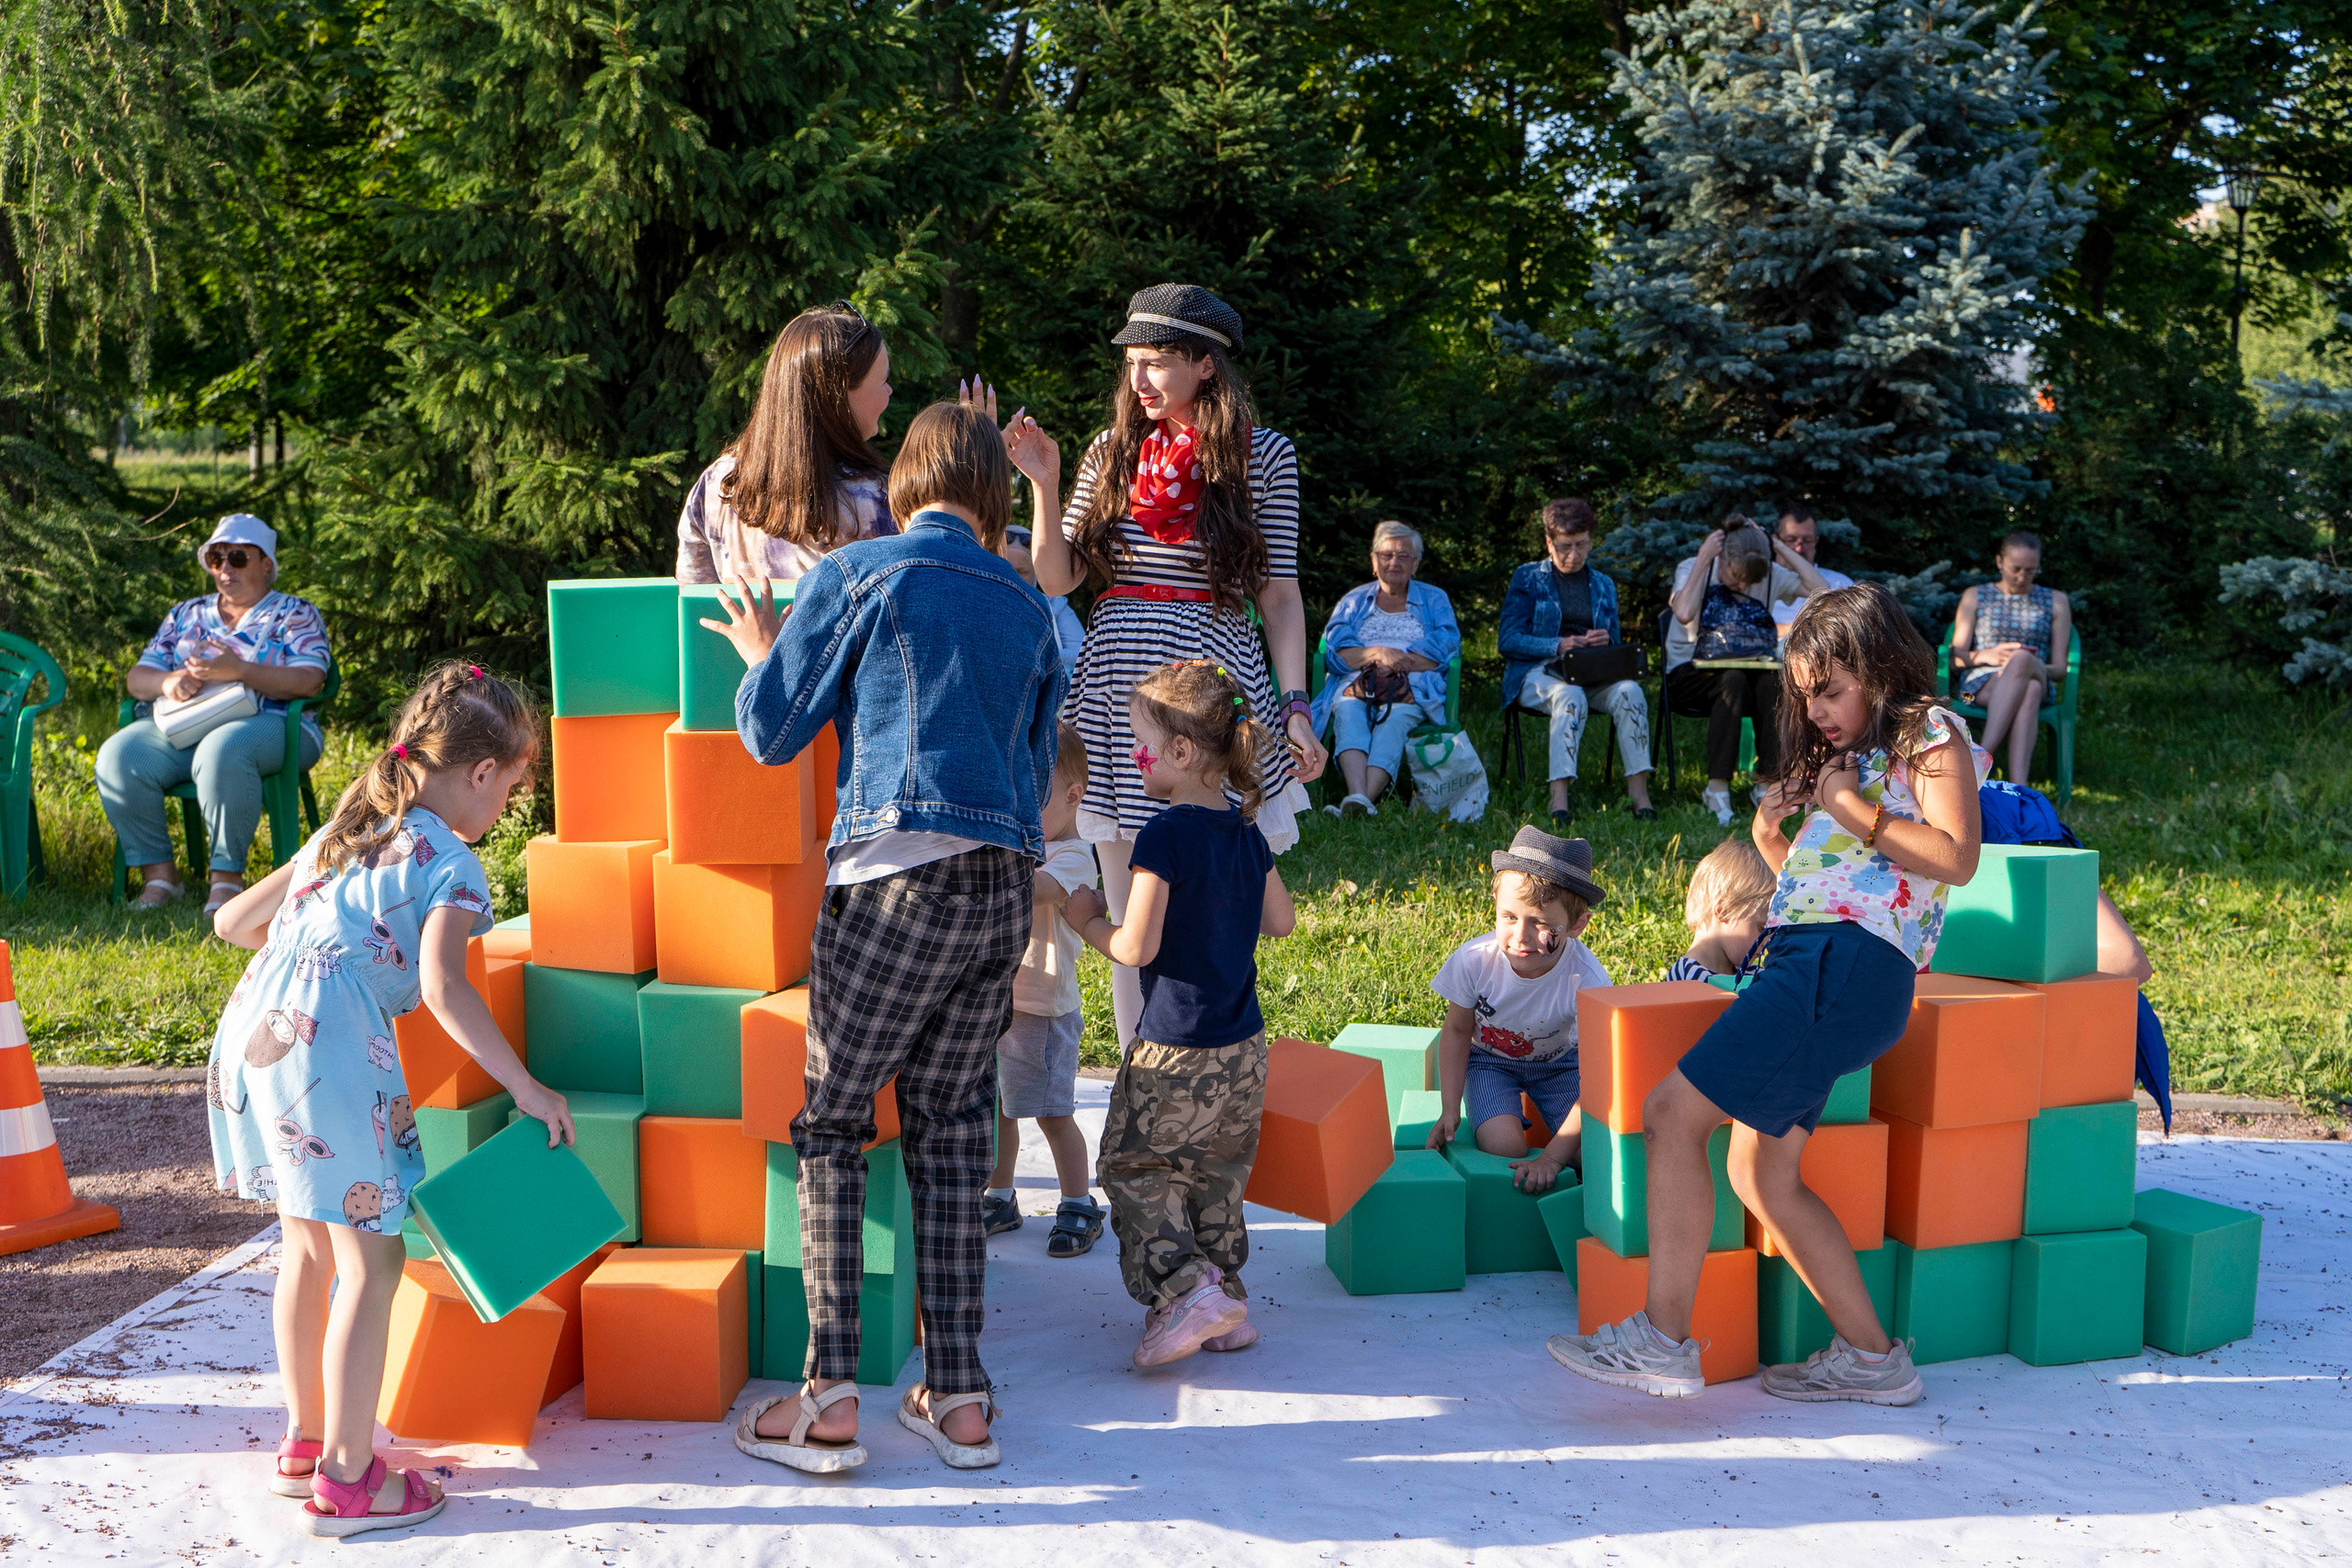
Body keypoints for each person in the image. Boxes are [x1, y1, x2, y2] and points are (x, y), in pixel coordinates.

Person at [708, 400, 1065, 1474]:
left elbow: (771, 733)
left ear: (904, 485)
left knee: (832, 1125)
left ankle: (826, 1400)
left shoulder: (857, 573)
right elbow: (1035, 772)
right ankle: (959, 1400)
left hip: (890, 881)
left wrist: (760, 653)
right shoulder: (1030, 604)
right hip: (1001, 891)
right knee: (952, 1132)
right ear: (991, 496)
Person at [1548, 582, 1986, 1406]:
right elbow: (1836, 890)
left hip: (1840, 965)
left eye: (1830, 690)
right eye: (1805, 694)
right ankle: (1873, 1359)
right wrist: (1770, 837)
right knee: (1759, 1171)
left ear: (1879, 667)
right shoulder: (1848, 761)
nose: (1815, 710)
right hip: (1822, 959)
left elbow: (1958, 857)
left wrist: (1849, 808)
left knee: (1671, 1113)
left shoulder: (1927, 730)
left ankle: (1661, 1339)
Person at [205, 663, 570, 1537]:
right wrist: (526, 1086)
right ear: (482, 772)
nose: (504, 809)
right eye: (510, 791)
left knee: (307, 1249)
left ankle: (306, 1442)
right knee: (373, 1268)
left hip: (254, 1037)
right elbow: (445, 988)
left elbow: (232, 924)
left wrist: (316, 939)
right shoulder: (454, 863)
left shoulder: (348, 828)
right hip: (326, 1052)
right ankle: (349, 1480)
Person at [1028, 283, 1327, 1056]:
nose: (1139, 379)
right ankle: (1144, 1069)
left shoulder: (1264, 454)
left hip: (1209, 683)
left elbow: (1280, 593)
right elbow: (1057, 577)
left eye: (1157, 361)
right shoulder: (1110, 450)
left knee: (1216, 888)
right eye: (1132, 362)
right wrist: (1045, 485)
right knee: (1130, 888)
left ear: (1206, 364)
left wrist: (1295, 704)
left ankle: (1216, 1055)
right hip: (1120, 683)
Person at [1061, 660, 1298, 1367]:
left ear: (1183, 751)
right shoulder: (1245, 832)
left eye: (1141, 745)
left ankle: (1185, 1290)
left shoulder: (1162, 836)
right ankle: (1224, 1304)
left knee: (1135, 1166)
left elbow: (1136, 947)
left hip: (1175, 1049)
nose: (1134, 758)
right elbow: (1282, 921)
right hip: (1244, 1046)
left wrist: (1087, 920)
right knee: (1215, 1176)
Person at [102, 514, 332, 915]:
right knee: (120, 756)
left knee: (223, 748)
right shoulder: (186, 613)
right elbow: (138, 678)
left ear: (266, 564)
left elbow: (310, 680)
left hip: (277, 724)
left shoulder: (295, 613)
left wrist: (240, 670)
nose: (225, 568)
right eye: (216, 558)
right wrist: (168, 682)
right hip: (187, 723)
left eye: (238, 558)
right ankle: (160, 877)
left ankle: (227, 880)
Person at [1425, 828, 1610, 1193]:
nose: (1521, 936)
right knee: (1503, 1147)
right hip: (1489, 1061)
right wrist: (1450, 1109)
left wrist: (1553, 1158)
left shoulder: (1588, 981)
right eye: (1509, 917)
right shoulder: (1474, 961)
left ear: (1577, 925)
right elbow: (1458, 1031)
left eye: (1540, 923)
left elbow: (1599, 1077)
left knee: (1588, 1152)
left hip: (1561, 1064)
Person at [982, 722, 1105, 1256]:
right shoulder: (1026, 843)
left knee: (1053, 1114)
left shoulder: (1073, 855)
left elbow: (1038, 889)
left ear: (1073, 796)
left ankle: (1079, 1202)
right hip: (999, 1001)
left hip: (1044, 1011)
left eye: (1034, 793)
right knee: (998, 1109)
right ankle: (1000, 1195)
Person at [673, 301, 898, 586]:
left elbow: (694, 599)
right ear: (839, 395)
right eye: (882, 381)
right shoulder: (882, 498)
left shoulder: (718, 485)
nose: (890, 391)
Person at [1498, 499, 1655, 824]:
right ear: (1548, 543)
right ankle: (1559, 802)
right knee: (1569, 695)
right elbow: (1508, 640)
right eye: (1565, 547)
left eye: (1581, 545)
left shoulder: (1603, 584)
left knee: (1631, 692)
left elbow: (1614, 644)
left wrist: (1605, 640)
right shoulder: (1528, 578)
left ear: (1591, 541)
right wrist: (1558, 644)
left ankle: (1640, 798)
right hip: (1537, 672)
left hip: (1591, 672)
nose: (1573, 555)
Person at [1665, 514, 1829, 826]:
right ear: (1723, 559)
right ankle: (1717, 787)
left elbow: (1821, 590)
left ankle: (1766, 783)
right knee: (1733, 681)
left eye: (1748, 581)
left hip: (1750, 672)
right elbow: (1684, 612)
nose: (1741, 586)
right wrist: (1704, 557)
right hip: (1689, 673)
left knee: (1772, 682)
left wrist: (1779, 546)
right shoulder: (1694, 567)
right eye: (1736, 577)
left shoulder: (1766, 572)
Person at [1310, 520, 1462, 817]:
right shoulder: (1354, 601)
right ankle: (1360, 799)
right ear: (1374, 561)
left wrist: (1399, 663)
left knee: (1397, 718)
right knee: (1347, 710)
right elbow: (1336, 651)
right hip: (1356, 683)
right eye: (1387, 555)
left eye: (1404, 555)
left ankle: (1358, 800)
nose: (1394, 562)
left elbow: (1446, 647)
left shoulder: (1435, 599)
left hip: (1413, 686)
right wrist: (1378, 654)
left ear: (1415, 563)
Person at [1951, 531, 2073, 787]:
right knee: (2030, 690)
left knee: (2022, 661)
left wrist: (2024, 662)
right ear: (2000, 562)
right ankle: (2020, 787)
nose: (2021, 577)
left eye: (2030, 571)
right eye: (2015, 569)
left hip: (2039, 674)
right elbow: (1956, 660)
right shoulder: (1975, 595)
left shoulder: (2056, 601)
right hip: (1975, 690)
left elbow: (2061, 669)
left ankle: (1980, 756)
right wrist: (1986, 655)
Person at [1664, 838, 1774, 982]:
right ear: (1724, 910)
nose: (1767, 942)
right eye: (1762, 929)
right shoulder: (1688, 978)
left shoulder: (1752, 973)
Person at [1001, 525, 1087, 673]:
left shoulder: (1055, 605)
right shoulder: (982, 602)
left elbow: (1081, 654)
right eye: (1007, 569)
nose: (1014, 578)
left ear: (1035, 574)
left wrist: (1029, 654)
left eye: (1022, 572)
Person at [1768, 505, 1855, 639]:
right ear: (1776, 541)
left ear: (1816, 541)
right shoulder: (1761, 580)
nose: (1799, 549)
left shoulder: (1841, 584)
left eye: (1807, 540)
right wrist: (1800, 630)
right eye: (1791, 540)